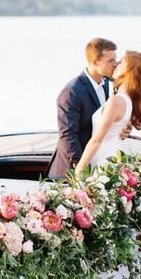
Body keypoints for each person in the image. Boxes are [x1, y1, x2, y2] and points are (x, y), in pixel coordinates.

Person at [48, 38, 118, 178]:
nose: (115, 64)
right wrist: (82, 169)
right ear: (94, 62)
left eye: (115, 59)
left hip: (95, 165)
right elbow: (68, 135)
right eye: (110, 61)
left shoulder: (105, 83)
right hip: (70, 173)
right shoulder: (72, 92)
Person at [75, 50, 141, 174]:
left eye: (120, 62)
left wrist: (79, 169)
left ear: (130, 70)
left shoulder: (117, 101)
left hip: (104, 161)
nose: (116, 64)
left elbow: (97, 140)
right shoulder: (126, 99)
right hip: (111, 157)